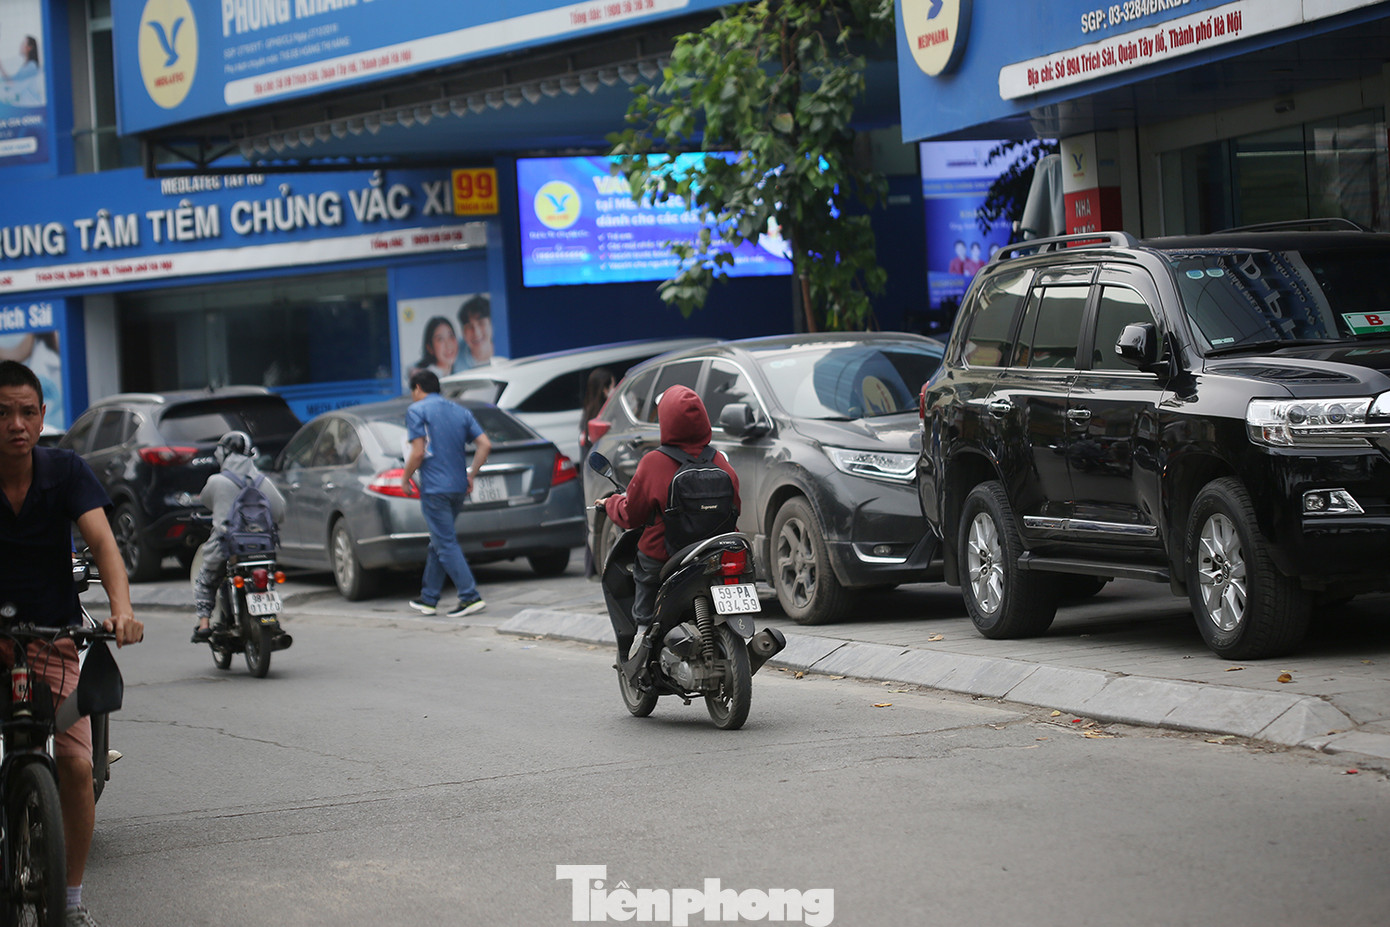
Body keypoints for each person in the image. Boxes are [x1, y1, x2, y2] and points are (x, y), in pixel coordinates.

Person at [0, 360, 143, 927]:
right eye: (3, 412)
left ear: (41, 419)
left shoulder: (65, 471)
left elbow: (104, 543)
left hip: (52, 639)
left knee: (78, 769)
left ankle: (72, 900)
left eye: (26, 412)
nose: (15, 423)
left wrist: (123, 610)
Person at [600, 385, 740, 627]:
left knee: (644, 615)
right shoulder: (721, 461)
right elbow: (736, 507)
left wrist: (611, 503)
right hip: (715, 555)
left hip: (665, 558)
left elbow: (631, 515)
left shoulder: (654, 463)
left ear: (666, 419)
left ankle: (641, 640)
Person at [401, 369, 492, 617]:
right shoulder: (460, 411)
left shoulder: (417, 411)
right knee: (440, 540)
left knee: (445, 542)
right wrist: (471, 473)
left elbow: (417, 452)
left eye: (413, 391)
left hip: (435, 488)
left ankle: (469, 595)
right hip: (458, 487)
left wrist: (405, 476)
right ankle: (429, 598)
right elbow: (485, 444)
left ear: (418, 388)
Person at [191, 430, 286, 642]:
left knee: (206, 579)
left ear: (223, 454)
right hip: (263, 548)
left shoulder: (217, 481)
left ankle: (204, 623)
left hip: (229, 548)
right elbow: (280, 512)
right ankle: (273, 620)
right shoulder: (263, 482)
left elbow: (206, 502)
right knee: (269, 581)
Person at [579, 367, 616, 579]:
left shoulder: (587, 416)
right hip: (600, 475)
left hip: (588, 475)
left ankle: (590, 568)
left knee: (591, 520)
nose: (614, 390)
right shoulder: (606, 419)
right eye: (612, 385)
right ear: (604, 390)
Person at [411, 316, 460, 381]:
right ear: (430, 348)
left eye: (451, 336)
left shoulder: (458, 371)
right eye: (440, 339)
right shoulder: (426, 378)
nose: (448, 345)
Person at [455, 294, 496, 370]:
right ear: (463, 332)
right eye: (469, 327)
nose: (476, 333)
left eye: (481, 323)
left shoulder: (505, 349)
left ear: (491, 325)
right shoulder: (454, 353)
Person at [0, 35, 43, 106]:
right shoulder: (24, 67)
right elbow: (11, 80)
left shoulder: (31, 67)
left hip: (32, 108)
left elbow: (13, 83)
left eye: (23, 43)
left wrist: (1, 67)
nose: (20, 45)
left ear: (29, 48)